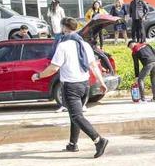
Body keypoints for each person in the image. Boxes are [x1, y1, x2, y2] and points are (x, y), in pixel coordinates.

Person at [32, 18, 110, 158]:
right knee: (74, 114)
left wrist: (38, 76)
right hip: (85, 85)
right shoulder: (84, 44)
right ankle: (73, 144)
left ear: (64, 28)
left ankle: (98, 140)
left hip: (71, 86)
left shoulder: (63, 46)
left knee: (76, 116)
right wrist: (101, 82)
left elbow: (53, 68)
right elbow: (93, 65)